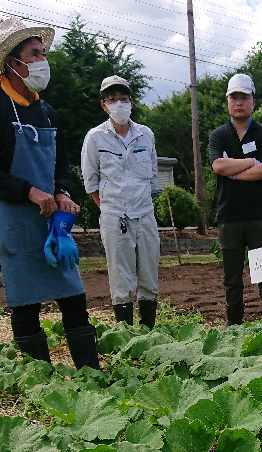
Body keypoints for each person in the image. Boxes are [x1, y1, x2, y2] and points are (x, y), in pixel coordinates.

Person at [0, 17, 100, 369]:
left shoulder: (46, 110)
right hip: (12, 220)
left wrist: (62, 193)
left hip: (52, 221)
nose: (42, 60)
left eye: (43, 53)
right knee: (25, 302)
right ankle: (41, 384)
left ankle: (91, 374)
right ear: (12, 62)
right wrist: (29, 192)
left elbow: (61, 165)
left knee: (73, 296)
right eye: (34, 53)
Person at [81, 75, 160, 328]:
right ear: (104, 105)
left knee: (149, 276)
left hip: (145, 214)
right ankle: (126, 334)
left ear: (132, 102)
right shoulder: (95, 138)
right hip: (115, 217)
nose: (118, 104)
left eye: (123, 99)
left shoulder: (146, 135)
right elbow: (91, 182)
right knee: (121, 279)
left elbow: (153, 176)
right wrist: (109, 210)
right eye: (112, 100)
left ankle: (148, 332)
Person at [209, 74, 262, 326]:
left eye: (244, 97)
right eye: (234, 97)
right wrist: (251, 162)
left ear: (253, 101)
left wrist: (234, 173)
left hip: (260, 215)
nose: (239, 102)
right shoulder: (218, 135)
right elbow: (218, 166)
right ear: (228, 101)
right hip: (229, 215)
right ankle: (234, 323)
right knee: (232, 276)